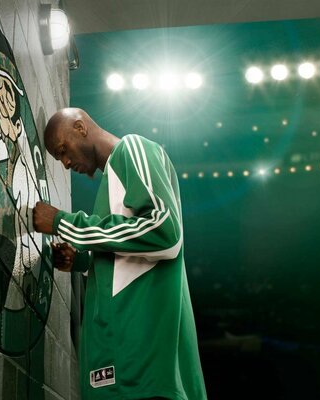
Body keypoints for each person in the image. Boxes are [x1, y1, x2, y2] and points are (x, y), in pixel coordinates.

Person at [33, 108, 207, 399]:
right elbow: (127, 258)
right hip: (120, 369)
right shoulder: (109, 186)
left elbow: (165, 231)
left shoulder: (132, 148)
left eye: (63, 150)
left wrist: (65, 222)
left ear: (80, 127)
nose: (65, 163)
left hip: (143, 369)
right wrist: (82, 259)